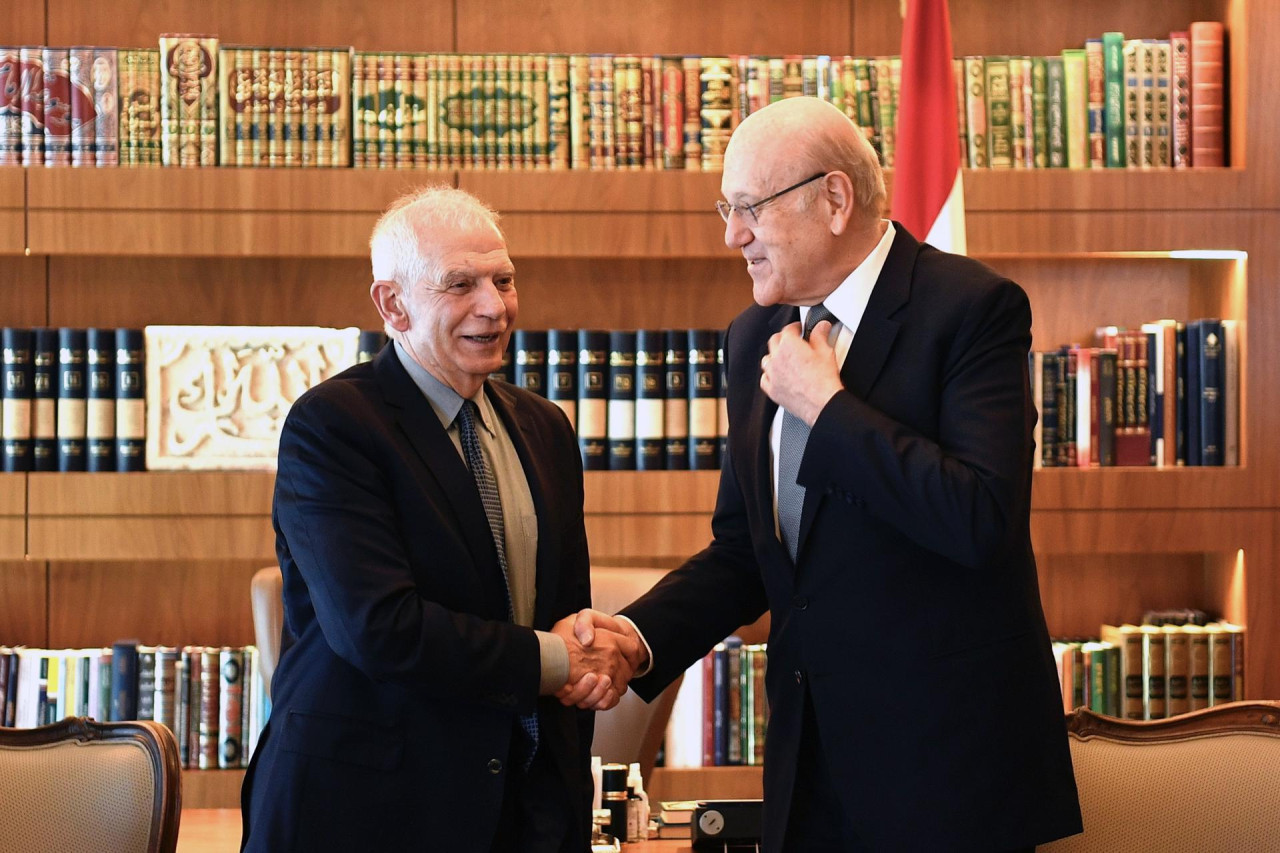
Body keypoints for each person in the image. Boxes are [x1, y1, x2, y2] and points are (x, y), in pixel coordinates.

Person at [567, 97, 1083, 851]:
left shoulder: (971, 310)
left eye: (749, 207)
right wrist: (637, 638)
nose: (732, 234)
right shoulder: (754, 338)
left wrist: (827, 406)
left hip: (948, 780)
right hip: (807, 780)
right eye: (725, 208)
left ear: (834, 199)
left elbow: (980, 518)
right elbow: (747, 551)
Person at [241, 186, 642, 853]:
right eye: (460, 284)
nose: (494, 305)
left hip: (524, 810)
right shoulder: (334, 425)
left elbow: (567, 609)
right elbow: (379, 628)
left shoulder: (544, 427)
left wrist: (590, 661)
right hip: (368, 812)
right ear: (392, 304)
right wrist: (559, 658)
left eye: (504, 280)